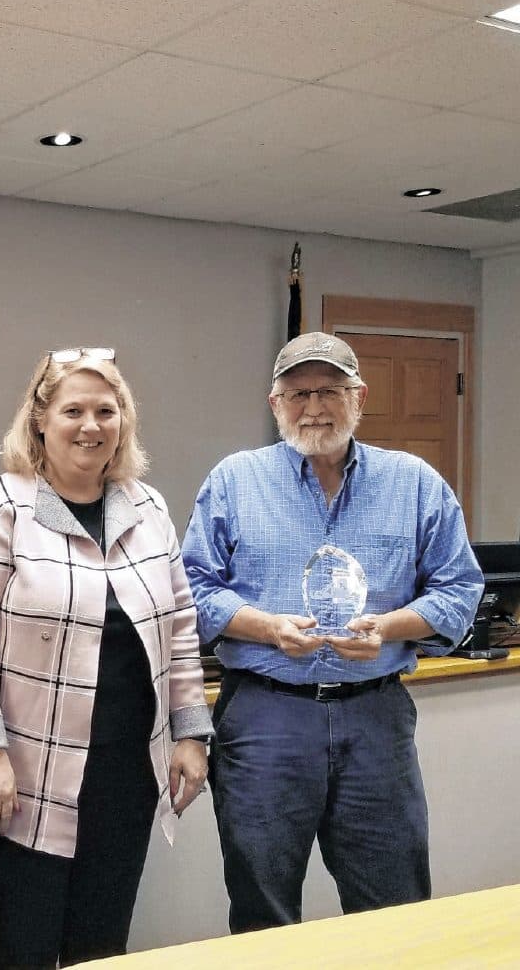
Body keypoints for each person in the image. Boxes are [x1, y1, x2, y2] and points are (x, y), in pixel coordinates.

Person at [182, 331, 483, 934]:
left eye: (329, 390)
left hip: (375, 718)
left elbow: (459, 590)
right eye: (296, 394)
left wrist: (390, 627)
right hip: (267, 718)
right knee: (262, 907)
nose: (313, 407)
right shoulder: (235, 481)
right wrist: (267, 629)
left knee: (393, 902)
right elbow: (192, 590)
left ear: (359, 398)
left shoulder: (414, 482)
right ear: (274, 404)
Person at [0, 347, 212, 969]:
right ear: (39, 420)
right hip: (25, 774)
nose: (91, 426)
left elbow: (182, 626)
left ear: (124, 421)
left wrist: (192, 735)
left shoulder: (148, 508)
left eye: (106, 411)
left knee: (101, 951)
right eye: (73, 411)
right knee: (24, 951)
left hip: (124, 776)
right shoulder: (0, 506)